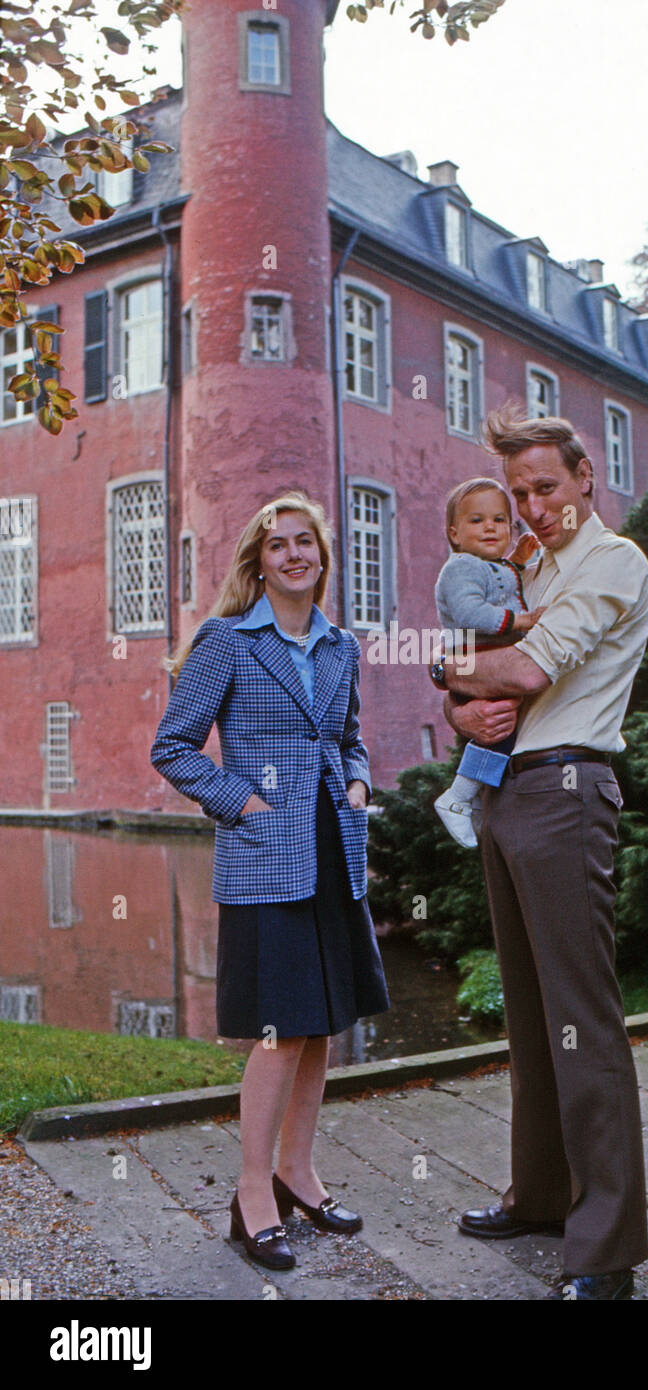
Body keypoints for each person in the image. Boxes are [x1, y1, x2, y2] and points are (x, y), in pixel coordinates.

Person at [429, 406, 648, 1301]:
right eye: (518, 492)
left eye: (546, 487)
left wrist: (448, 676)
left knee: (582, 1016)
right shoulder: (530, 566)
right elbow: (484, 678)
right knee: (529, 1012)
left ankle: (606, 1254)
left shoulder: (611, 562)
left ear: (585, 477)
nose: (531, 505)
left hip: (568, 791)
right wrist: (458, 705)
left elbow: (522, 672)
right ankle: (542, 1196)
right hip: (511, 788)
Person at [150, 491, 389, 1271]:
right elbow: (175, 748)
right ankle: (253, 1192)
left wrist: (357, 788)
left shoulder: (340, 647)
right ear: (259, 562)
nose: (293, 554)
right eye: (277, 544)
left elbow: (350, 741)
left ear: (323, 556)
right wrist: (244, 803)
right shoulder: (226, 640)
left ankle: (299, 1171)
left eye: (305, 543)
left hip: (333, 850)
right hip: (264, 853)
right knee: (281, 1031)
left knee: (322, 1024)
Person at [433, 477, 545, 848]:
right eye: (477, 521)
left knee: (501, 729)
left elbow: (496, 584)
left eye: (500, 520)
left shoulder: (485, 564)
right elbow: (469, 610)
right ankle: (458, 796)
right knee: (499, 728)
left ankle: (473, 800)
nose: (490, 528)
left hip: (484, 657)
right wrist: (522, 622)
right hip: (476, 658)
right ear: (454, 532)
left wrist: (517, 561)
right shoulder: (459, 567)